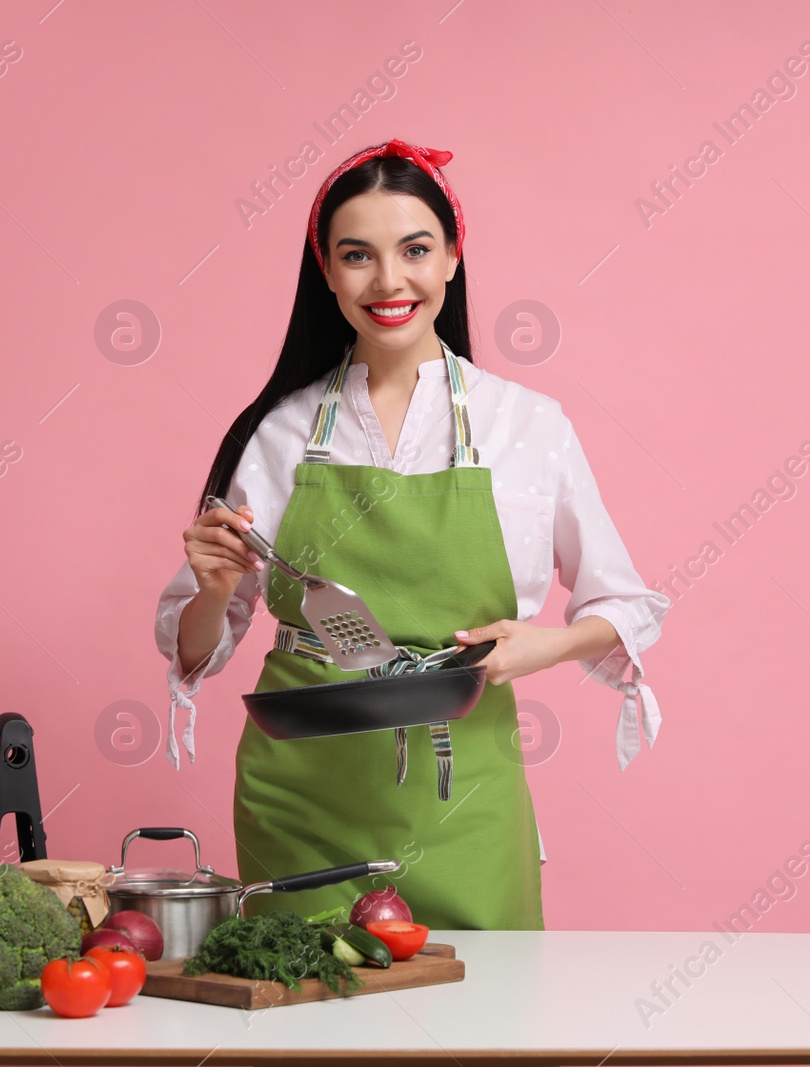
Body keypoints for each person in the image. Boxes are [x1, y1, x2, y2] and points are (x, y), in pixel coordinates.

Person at [152, 138, 670, 930]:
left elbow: (624, 603)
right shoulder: (280, 432)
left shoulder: (527, 426)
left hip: (465, 799)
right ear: (324, 270)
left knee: (483, 1035)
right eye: (357, 255)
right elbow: (195, 648)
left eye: (415, 249)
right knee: (311, 1038)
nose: (389, 281)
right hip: (301, 800)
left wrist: (541, 646)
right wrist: (216, 588)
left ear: (454, 257)